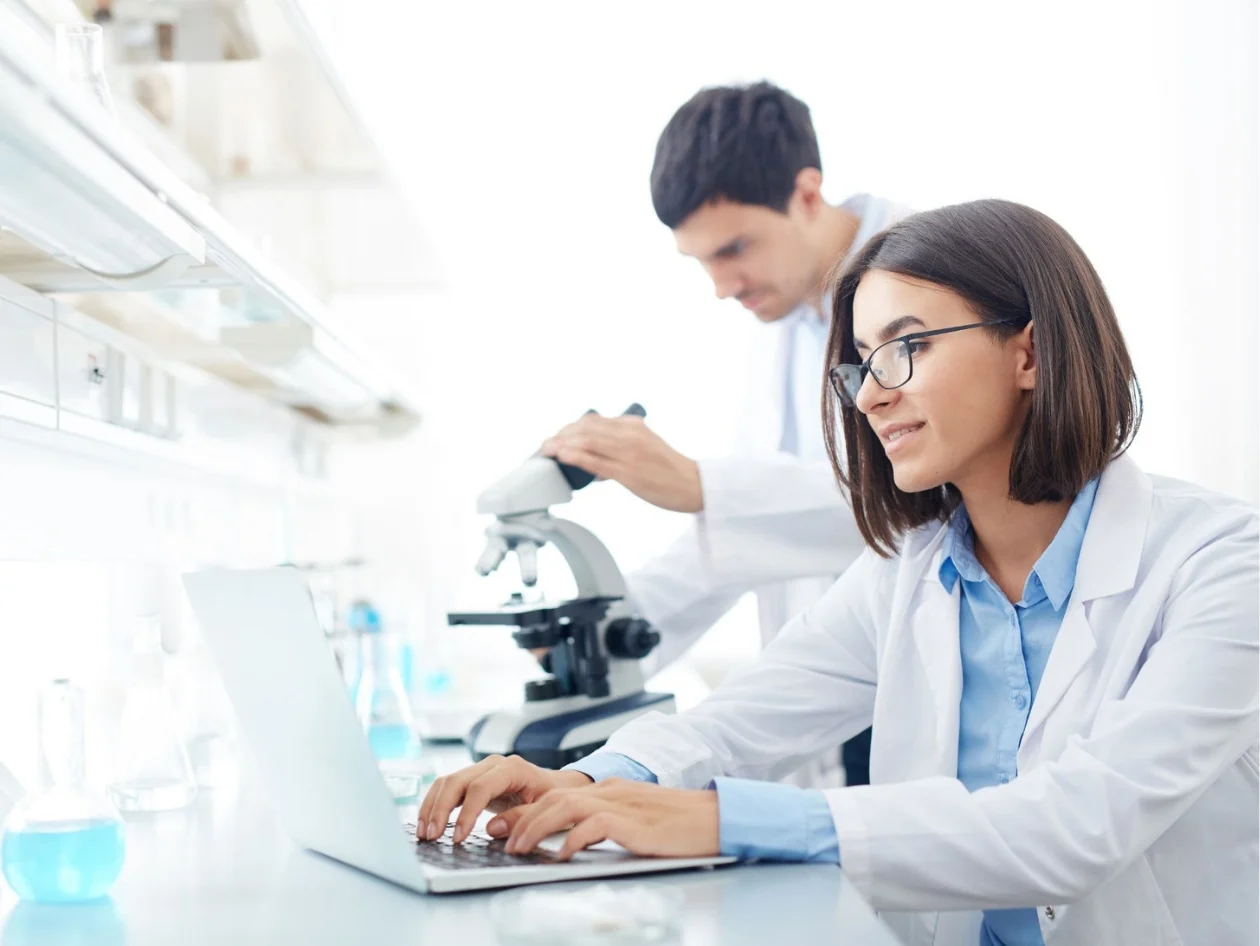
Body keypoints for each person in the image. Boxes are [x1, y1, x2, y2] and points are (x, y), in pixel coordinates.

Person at [421, 199, 1259, 946]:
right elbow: (740, 721)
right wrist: (585, 781)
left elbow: (1078, 829)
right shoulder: (907, 571)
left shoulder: (1221, 565)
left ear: (1030, 353)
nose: (869, 397)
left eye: (909, 347)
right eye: (862, 362)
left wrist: (715, 820)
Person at [542, 81, 908, 787]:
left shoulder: (921, 278)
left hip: (915, 678)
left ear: (807, 193)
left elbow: (919, 497)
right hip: (835, 685)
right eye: (702, 261)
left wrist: (699, 484)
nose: (720, 286)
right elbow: (747, 532)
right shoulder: (785, 313)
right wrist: (613, 624)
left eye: (734, 249)